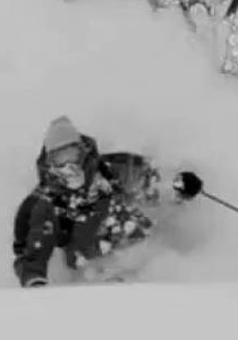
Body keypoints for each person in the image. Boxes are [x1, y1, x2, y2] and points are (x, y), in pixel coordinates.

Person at [11, 116, 204, 287]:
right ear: (50, 163)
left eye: (72, 155)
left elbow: (153, 180)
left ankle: (169, 262)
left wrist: (179, 186)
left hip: (139, 250)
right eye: (60, 159)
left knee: (131, 206)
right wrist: (33, 279)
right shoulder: (45, 200)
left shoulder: (111, 169)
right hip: (93, 270)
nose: (68, 166)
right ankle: (108, 277)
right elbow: (32, 245)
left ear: (82, 151)